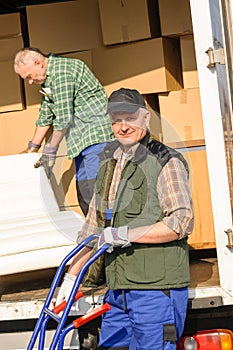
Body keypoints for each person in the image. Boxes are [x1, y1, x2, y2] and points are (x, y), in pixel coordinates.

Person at [56, 88, 194, 350]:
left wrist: (125, 235)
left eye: (129, 118)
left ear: (145, 118)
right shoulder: (109, 164)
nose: (123, 126)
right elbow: (93, 227)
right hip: (118, 291)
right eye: (116, 120)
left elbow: (181, 222)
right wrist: (71, 279)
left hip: (156, 291)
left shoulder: (166, 161)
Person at [14, 47, 114, 216]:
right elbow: (46, 114)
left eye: (29, 77)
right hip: (81, 142)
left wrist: (50, 150)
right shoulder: (48, 80)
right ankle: (97, 236)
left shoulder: (62, 72)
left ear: (38, 63)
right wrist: (32, 147)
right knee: (85, 196)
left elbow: (64, 118)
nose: (29, 82)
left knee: (96, 194)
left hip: (96, 138)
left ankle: (112, 237)